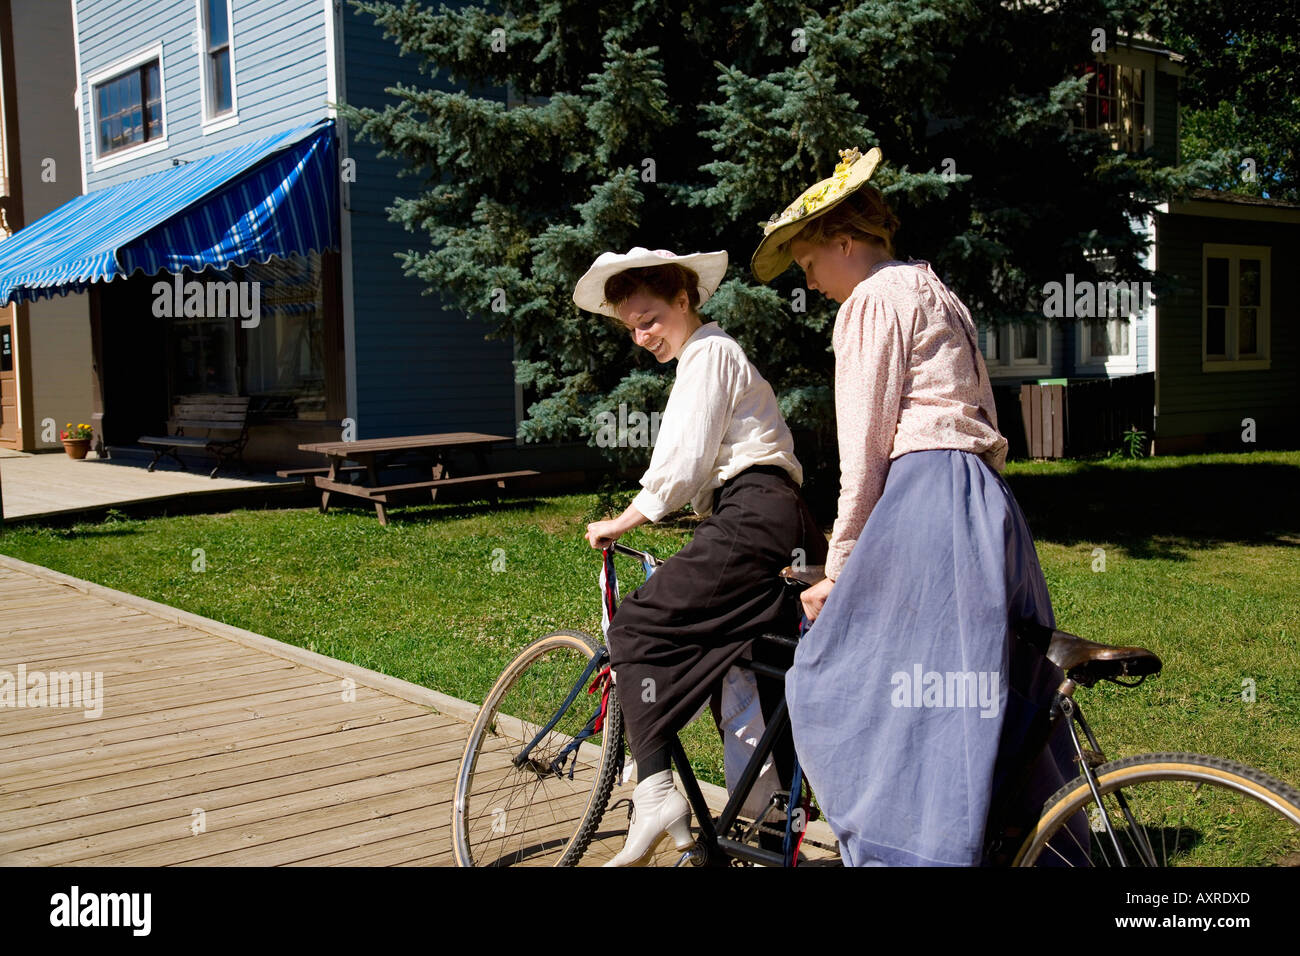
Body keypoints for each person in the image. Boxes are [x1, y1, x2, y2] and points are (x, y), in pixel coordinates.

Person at [750, 147, 1079, 866]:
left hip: (925, 502)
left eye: (808, 261)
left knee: (848, 680)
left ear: (844, 242)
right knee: (978, 685)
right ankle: (1025, 843)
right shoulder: (935, 290)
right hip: (985, 505)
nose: (807, 280)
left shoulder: (871, 300)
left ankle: (918, 848)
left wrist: (837, 568)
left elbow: (864, 450)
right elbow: (984, 415)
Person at [574, 246, 828, 866]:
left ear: (684, 299)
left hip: (757, 514)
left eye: (650, 318)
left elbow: (684, 463)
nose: (642, 336)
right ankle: (768, 832)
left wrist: (625, 519)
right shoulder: (712, 356)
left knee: (635, 624)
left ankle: (656, 790)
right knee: (756, 670)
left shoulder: (709, 352)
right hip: (777, 521)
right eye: (632, 327)